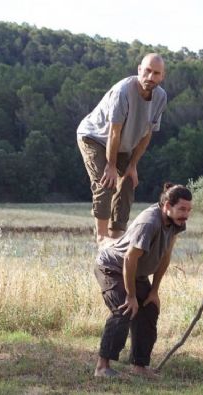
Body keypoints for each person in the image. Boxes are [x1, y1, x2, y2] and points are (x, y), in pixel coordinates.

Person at [93, 183, 192, 378]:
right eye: (182, 209)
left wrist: (154, 291)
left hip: (135, 272)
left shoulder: (176, 223)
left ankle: (139, 366)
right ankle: (102, 367)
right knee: (124, 308)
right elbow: (130, 258)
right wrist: (131, 295)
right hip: (111, 267)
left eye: (189, 210)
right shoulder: (149, 223)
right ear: (166, 206)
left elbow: (165, 256)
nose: (186, 214)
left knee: (149, 309)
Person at [77, 53, 167, 245]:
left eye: (156, 73)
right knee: (106, 181)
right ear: (139, 70)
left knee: (127, 182)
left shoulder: (160, 97)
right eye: (148, 71)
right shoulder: (123, 91)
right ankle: (102, 238)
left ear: (162, 76)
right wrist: (110, 165)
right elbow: (113, 133)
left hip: (124, 144)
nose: (151, 77)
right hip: (95, 137)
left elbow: (147, 133)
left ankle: (116, 237)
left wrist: (132, 165)